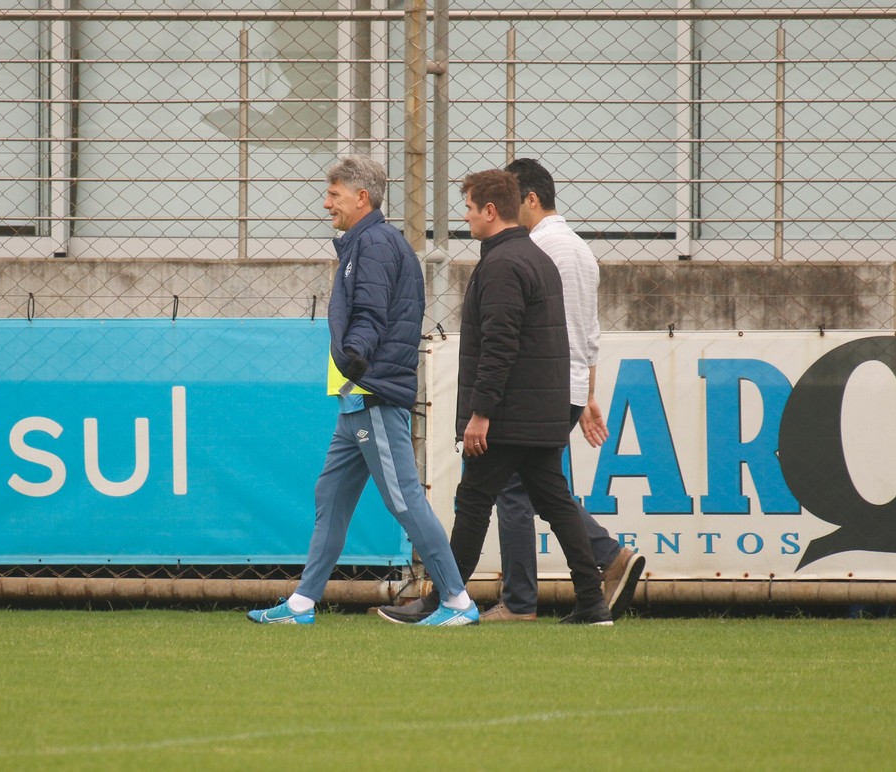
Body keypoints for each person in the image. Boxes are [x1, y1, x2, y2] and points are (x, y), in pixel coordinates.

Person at [247, 156, 479, 626]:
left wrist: (355, 358)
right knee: (330, 494)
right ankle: (301, 604)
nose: (326, 202)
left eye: (334, 194)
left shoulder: (373, 244)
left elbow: (371, 313)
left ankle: (457, 601)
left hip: (371, 392)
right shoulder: (368, 242)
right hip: (357, 398)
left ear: (362, 198)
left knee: (402, 497)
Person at [381, 169, 612, 626]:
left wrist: (481, 413)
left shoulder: (504, 264)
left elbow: (500, 344)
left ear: (490, 211)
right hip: (539, 409)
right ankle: (592, 601)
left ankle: (447, 598)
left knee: (473, 501)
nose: (465, 216)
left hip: (510, 413)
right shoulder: (535, 256)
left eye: (468, 206)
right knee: (554, 501)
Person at [477, 158, 646, 623]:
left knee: (514, 487)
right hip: (567, 383)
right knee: (539, 483)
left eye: (513, 200)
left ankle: (520, 600)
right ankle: (605, 559)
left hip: (540, 384)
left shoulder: (535, 248)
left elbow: (533, 329)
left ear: (529, 199)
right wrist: (586, 394)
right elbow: (587, 332)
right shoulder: (579, 249)